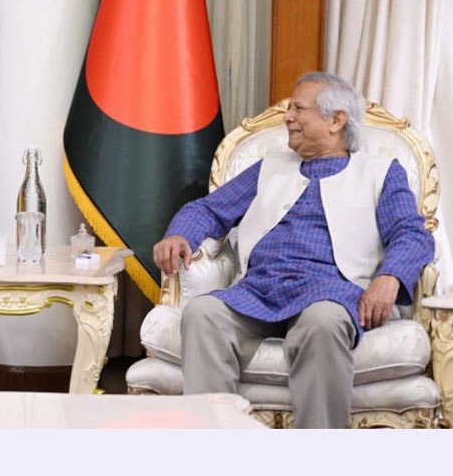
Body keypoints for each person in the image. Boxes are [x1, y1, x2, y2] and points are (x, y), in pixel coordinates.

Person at [152, 72, 434, 428]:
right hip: (258, 288)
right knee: (203, 313)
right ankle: (214, 444)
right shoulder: (270, 168)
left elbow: (412, 233)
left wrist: (389, 277)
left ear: (336, 120)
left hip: (330, 291)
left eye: (299, 109)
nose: (288, 117)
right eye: (289, 109)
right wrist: (181, 234)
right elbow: (208, 209)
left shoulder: (380, 172)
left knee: (323, 323)